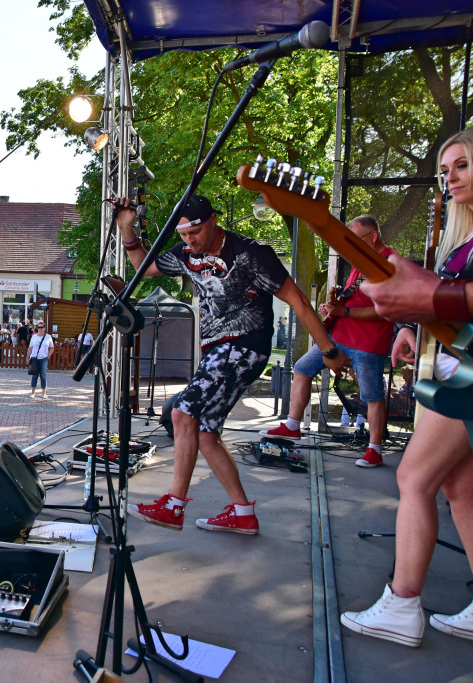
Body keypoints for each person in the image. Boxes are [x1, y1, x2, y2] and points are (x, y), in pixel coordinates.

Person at [116, 193, 344, 535]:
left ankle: (174, 505)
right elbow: (142, 267)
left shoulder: (250, 254)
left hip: (245, 345)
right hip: (217, 351)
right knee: (206, 434)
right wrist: (127, 229)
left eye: (195, 232)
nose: (189, 241)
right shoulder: (186, 254)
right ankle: (242, 513)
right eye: (183, 236)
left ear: (213, 221)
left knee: (181, 413)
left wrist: (328, 350)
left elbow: (297, 300)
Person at [340, 129, 473, 646]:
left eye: (461, 165)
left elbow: (449, 299)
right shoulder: (461, 239)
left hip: (467, 378)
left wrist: (432, 300)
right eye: (445, 170)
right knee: (457, 486)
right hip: (458, 371)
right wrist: (410, 327)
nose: (450, 178)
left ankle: (401, 604)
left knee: (415, 477)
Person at [262, 215, 397, 467]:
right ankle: (292, 424)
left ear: (373, 236)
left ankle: (375, 449)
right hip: (339, 336)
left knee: (372, 395)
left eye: (356, 240)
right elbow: (351, 298)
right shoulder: (360, 262)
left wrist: (343, 312)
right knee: (302, 368)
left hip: (368, 343)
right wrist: (333, 308)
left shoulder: (390, 263)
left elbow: (384, 311)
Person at [26, 322, 54, 399]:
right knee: (34, 375)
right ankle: (32, 392)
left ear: (44, 328)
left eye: (42, 327)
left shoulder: (48, 337)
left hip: (44, 358)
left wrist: (48, 356)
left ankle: (44, 393)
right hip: (34, 358)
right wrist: (27, 357)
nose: (40, 329)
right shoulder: (34, 337)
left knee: (43, 376)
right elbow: (30, 348)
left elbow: (52, 347)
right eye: (39, 327)